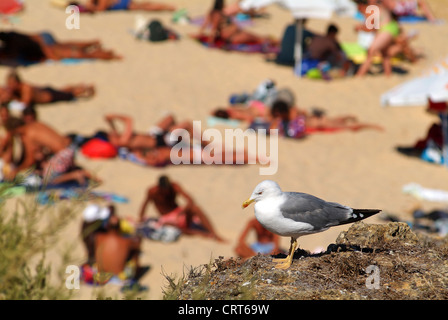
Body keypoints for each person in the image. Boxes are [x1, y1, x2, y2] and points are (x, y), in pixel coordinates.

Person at [3, 116, 101, 185]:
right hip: (71, 148)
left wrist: (15, 172)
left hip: (63, 155)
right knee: (47, 164)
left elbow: (30, 160)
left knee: (47, 180)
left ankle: (77, 174)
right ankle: (86, 174)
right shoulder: (36, 124)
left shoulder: (27, 135)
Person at [138, 175, 226, 242]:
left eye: (168, 188)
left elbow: (190, 200)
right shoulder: (152, 191)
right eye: (165, 189)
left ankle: (214, 233)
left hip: (178, 212)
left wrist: (183, 210)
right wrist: (140, 217)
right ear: (159, 187)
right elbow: (145, 204)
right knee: (171, 226)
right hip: (167, 217)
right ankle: (202, 234)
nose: (167, 191)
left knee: (196, 208)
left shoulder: (174, 187)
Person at [81, 203, 145, 284]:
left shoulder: (92, 230)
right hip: (107, 265)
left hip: (101, 264)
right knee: (133, 251)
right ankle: (137, 271)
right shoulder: (95, 237)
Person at [195, 0, 278, 46]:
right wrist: (211, 40)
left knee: (257, 37)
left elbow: (204, 26)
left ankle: (275, 41)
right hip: (232, 36)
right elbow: (214, 28)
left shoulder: (211, 12)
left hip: (234, 34)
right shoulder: (218, 14)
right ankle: (277, 42)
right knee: (259, 39)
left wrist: (200, 34)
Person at [0, 69, 94, 107]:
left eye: (11, 84)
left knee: (70, 95)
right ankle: (79, 86)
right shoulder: (19, 88)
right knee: (62, 90)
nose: (9, 86)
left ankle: (85, 90)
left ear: (17, 82)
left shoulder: (26, 88)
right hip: (45, 90)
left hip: (49, 97)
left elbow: (25, 103)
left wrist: (11, 97)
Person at [356, 1, 401, 77]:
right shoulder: (378, 6)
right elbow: (374, 27)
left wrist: (359, 28)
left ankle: (359, 75)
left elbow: (369, 28)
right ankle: (388, 75)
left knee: (371, 51)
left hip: (387, 29)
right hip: (390, 28)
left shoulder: (372, 8)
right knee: (385, 54)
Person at [84, 0, 176, 12]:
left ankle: (166, 7)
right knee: (143, 5)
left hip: (122, 4)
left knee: (143, 7)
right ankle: (166, 7)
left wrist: (91, 7)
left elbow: (101, 9)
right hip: (121, 4)